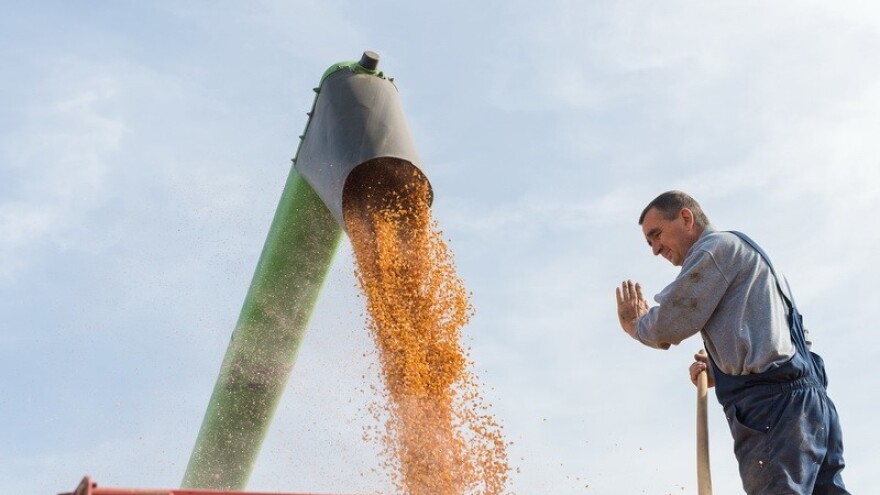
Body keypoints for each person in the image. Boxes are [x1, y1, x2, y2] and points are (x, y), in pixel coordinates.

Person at [614, 190, 849, 494]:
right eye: (649, 243)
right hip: (810, 408)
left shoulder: (714, 249)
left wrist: (635, 325)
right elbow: (768, 334)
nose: (655, 250)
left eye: (656, 235)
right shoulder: (747, 255)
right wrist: (723, 365)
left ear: (686, 218)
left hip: (774, 409)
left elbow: (669, 324)